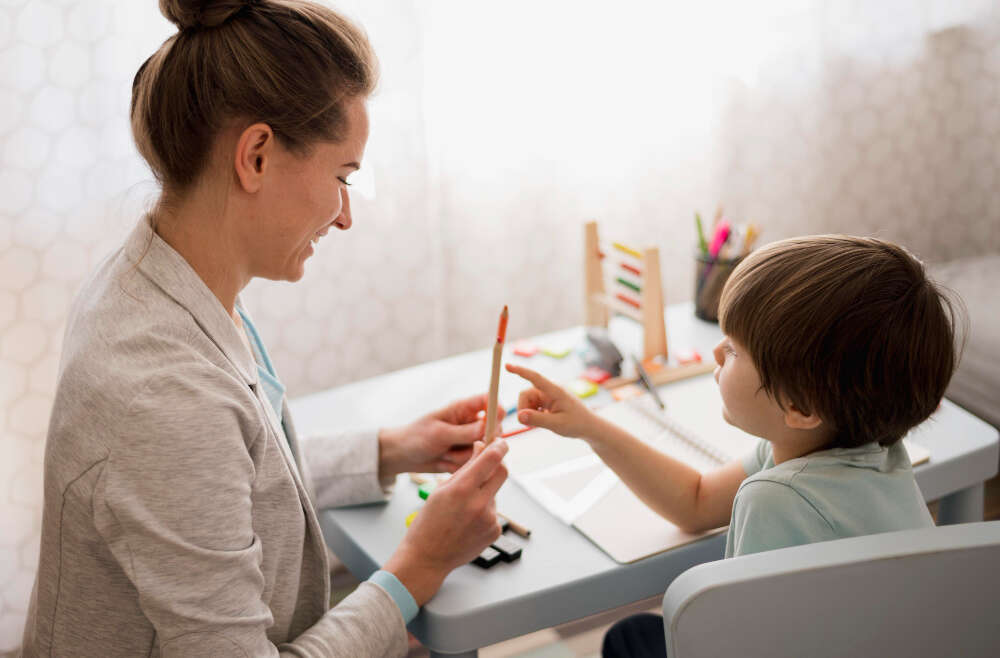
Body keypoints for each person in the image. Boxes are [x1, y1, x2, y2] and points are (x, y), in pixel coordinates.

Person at [20, 1, 509, 655]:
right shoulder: (160, 390)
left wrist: (390, 450)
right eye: (342, 176)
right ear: (255, 156)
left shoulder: (162, 280)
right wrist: (420, 566)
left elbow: (230, 480)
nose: (345, 216)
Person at [507, 235, 962, 657]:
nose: (715, 353)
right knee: (636, 634)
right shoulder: (871, 447)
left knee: (627, 639)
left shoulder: (776, 498)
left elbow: (743, 644)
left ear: (800, 407)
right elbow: (696, 502)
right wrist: (590, 427)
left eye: (734, 350)